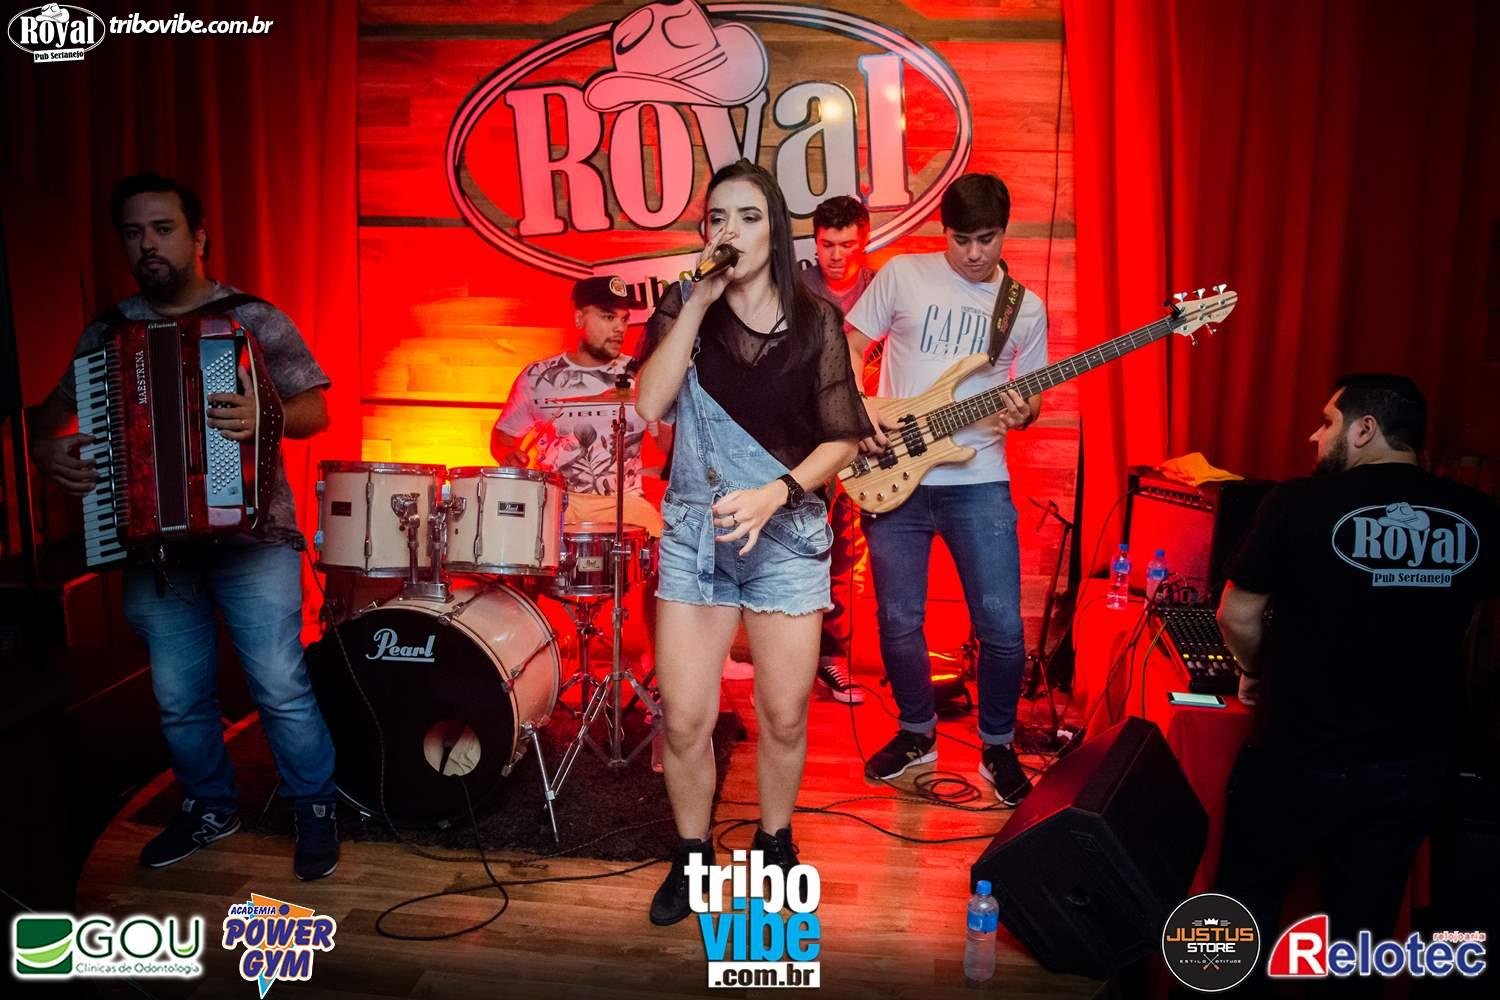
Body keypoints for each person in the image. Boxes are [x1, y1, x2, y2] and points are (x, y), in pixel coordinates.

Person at [28, 172, 341, 879]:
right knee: (177, 697)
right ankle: (209, 805)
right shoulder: (107, 334)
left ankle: (314, 805)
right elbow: (48, 419)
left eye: (163, 229)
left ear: (198, 238)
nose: (148, 244)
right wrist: (46, 451)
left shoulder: (252, 317)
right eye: (133, 233)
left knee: (279, 682)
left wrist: (265, 413)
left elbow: (315, 410)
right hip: (155, 551)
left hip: (253, 539)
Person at [635, 160, 870, 925]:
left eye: (747, 216)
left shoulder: (816, 321)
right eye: (717, 218)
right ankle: (691, 857)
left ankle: (774, 842)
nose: (729, 231)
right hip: (696, 536)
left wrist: (777, 492)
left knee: (784, 715)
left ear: (775, 229)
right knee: (684, 718)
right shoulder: (685, 304)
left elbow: (844, 439)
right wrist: (698, 304)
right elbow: (649, 405)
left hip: (787, 537)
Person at [1214, 374, 1498, 983]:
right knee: (1362, 933)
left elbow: (1236, 614)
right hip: (1413, 765)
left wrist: (1255, 671)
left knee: (1241, 917)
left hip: (1297, 752)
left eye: (1327, 422)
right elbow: (1474, 625)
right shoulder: (1478, 514)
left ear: (1365, 429)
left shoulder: (1295, 502)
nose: (1314, 437)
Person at [844, 173, 1048, 803]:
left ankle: (997, 744)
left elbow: (1032, 396)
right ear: (944, 231)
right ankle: (916, 732)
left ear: (1003, 231)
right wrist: (862, 409)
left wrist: (1024, 410)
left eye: (986, 239)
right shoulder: (903, 275)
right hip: (895, 473)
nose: (974, 253)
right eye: (961, 239)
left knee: (1002, 626)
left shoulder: (1024, 308)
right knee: (898, 618)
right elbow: (849, 348)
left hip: (979, 480)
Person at [491, 275, 672, 535]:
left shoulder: (644, 374)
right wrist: (508, 454)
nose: (620, 328)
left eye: (624, 319)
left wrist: (663, 402)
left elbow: (668, 447)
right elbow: (502, 438)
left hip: (624, 502)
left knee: (658, 537)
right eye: (608, 317)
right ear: (579, 319)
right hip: (557, 500)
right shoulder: (538, 377)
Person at [798, 195, 877, 705]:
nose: (836, 255)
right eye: (827, 244)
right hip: (807, 436)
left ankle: (835, 658)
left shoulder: (880, 287)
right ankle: (795, 658)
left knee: (851, 552)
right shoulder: (797, 286)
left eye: (847, 244)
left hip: (870, 437)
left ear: (864, 240)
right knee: (804, 546)